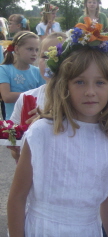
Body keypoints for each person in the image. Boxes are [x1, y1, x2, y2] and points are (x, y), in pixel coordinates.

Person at [7, 20, 108, 237]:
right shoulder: (42, 132)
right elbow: (17, 198)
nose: (90, 91)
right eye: (80, 82)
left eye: (100, 82)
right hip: (41, 230)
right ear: (65, 86)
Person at [8, 32, 67, 163]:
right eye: (45, 56)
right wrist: (16, 148)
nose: (50, 62)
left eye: (58, 56)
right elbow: (16, 154)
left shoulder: (78, 100)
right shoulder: (26, 98)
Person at [0, 31, 45, 120]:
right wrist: (33, 94)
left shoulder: (38, 71)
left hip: (33, 121)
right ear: (16, 49)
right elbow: (7, 97)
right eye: (30, 49)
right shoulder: (4, 69)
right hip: (13, 124)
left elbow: (43, 96)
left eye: (36, 50)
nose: (34, 53)